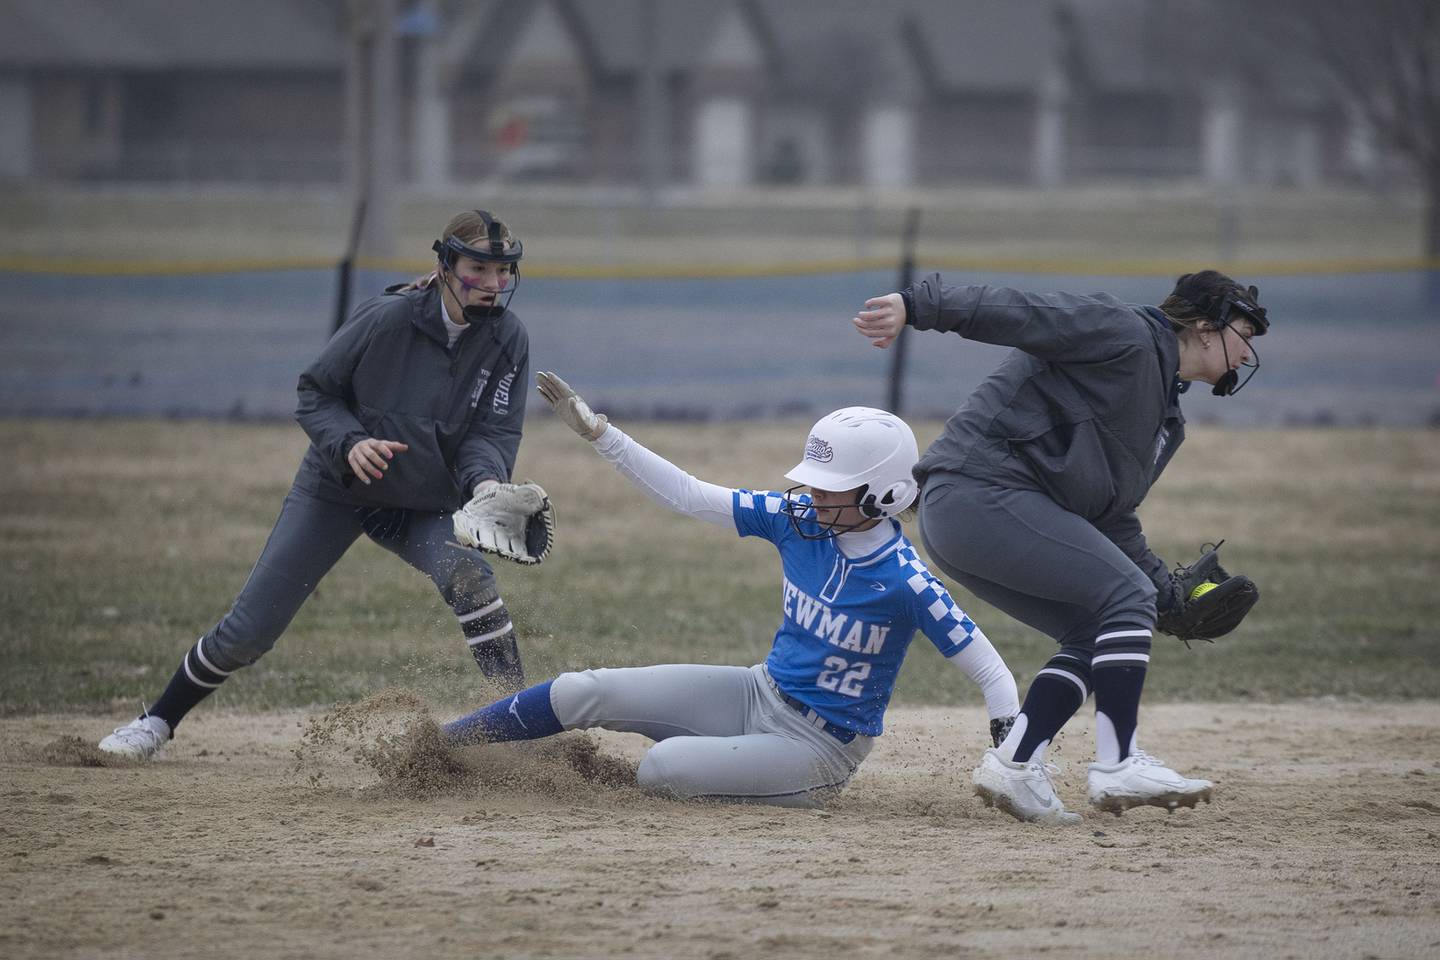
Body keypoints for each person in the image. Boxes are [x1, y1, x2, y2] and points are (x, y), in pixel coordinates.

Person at [437, 373, 1021, 808]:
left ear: (885, 496)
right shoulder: (799, 518)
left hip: (820, 750)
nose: (813, 496)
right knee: (580, 690)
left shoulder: (906, 580)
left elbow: (994, 674)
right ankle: (438, 749)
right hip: (756, 694)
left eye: (831, 488)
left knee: (662, 769)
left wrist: (1013, 755)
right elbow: (691, 495)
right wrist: (603, 436)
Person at [99, 210, 541, 759]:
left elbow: (492, 431)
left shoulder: (507, 339)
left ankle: (523, 728)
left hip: (421, 502)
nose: (496, 282)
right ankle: (155, 723)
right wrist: (351, 442)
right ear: (446, 264)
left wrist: (484, 486)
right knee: (250, 630)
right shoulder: (388, 318)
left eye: (505, 270)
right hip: (340, 487)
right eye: (480, 267)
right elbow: (316, 393)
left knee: (471, 577)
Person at [852, 270, 1270, 823]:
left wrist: (1165, 597)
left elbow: (1111, 518)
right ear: (1204, 326)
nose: (1248, 350)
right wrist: (915, 305)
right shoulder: (1125, 334)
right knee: (1123, 599)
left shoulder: (1166, 420)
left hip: (979, 514)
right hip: (978, 493)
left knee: (1098, 629)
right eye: (1245, 331)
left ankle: (1016, 763)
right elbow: (1023, 309)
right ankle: (1118, 763)